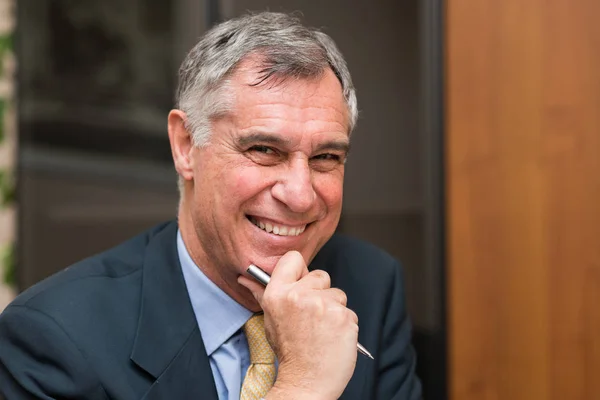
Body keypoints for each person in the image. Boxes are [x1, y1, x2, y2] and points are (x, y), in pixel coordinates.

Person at [0, 12, 421, 400]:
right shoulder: (55, 336)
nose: (300, 194)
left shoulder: (370, 286)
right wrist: (302, 385)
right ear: (186, 146)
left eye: (326, 158)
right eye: (263, 149)